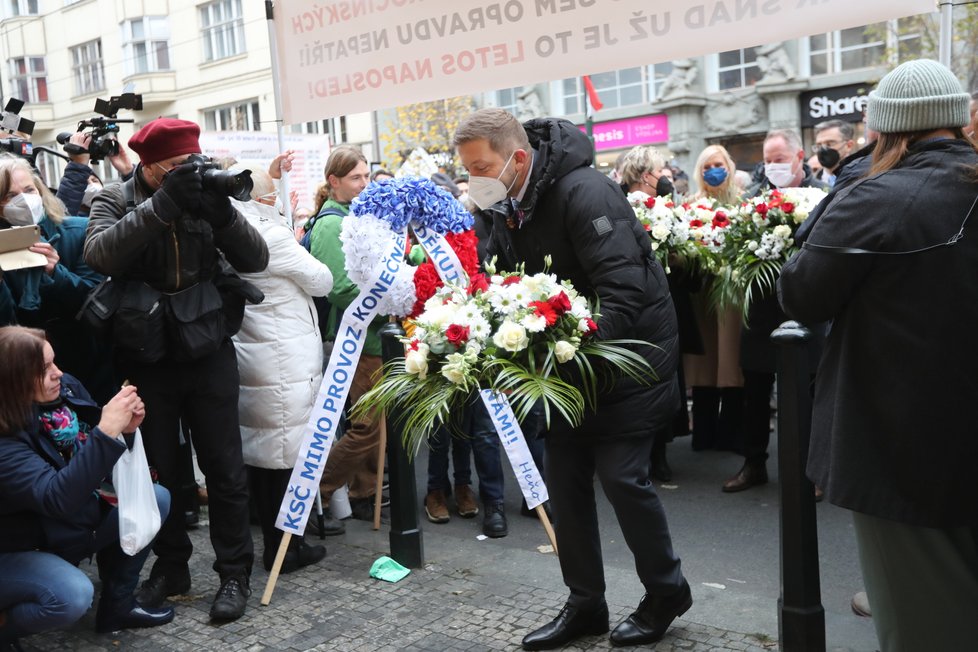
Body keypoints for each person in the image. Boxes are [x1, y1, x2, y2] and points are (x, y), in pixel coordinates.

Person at [455, 108, 690, 650]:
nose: (475, 179)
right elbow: (501, 283)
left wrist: (573, 350)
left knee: (622, 478)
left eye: (482, 166)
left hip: (627, 358)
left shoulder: (586, 192)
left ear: (517, 159)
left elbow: (626, 289)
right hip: (566, 367)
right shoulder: (504, 204)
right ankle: (586, 603)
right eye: (467, 169)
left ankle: (667, 590)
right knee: (565, 482)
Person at [779, 59, 978, 652]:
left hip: (904, 448)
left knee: (925, 624)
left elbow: (801, 292)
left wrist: (850, 188)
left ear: (885, 130)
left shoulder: (881, 195)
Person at [84, 118, 269, 621]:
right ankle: (172, 567)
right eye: (178, 167)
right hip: (147, 355)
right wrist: (163, 204)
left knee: (225, 469)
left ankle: (235, 572)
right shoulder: (115, 199)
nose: (191, 172)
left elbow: (256, 259)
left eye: (194, 162)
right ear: (149, 166)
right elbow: (99, 252)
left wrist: (222, 214)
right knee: (162, 470)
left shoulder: (207, 196)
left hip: (208, 349)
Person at [0, 326, 173, 646]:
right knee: (71, 595)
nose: (59, 374)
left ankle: (117, 606)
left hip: (63, 527)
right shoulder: (4, 442)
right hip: (19, 546)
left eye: (54, 362)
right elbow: (57, 497)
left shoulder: (65, 390)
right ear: (12, 381)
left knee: (155, 497)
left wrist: (127, 430)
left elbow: (96, 463)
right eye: (44, 369)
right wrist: (107, 432)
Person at [230, 163, 333, 573]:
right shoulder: (270, 235)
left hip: (254, 356)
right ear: (262, 200)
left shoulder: (229, 232)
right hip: (283, 361)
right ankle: (286, 547)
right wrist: (294, 240)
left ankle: (278, 542)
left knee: (261, 452)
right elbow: (322, 280)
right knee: (285, 458)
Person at [725, 129, 826, 494]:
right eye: (767, 160)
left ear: (799, 156)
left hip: (807, 308)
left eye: (780, 159)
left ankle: (813, 472)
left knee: (811, 394)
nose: (772, 166)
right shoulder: (754, 198)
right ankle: (754, 464)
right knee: (756, 391)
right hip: (763, 309)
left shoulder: (822, 198)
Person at [309, 145, 384, 521]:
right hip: (356, 337)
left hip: (371, 335)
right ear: (334, 181)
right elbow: (339, 286)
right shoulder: (330, 224)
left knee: (374, 422)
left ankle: (366, 490)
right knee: (367, 427)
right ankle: (313, 491)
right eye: (356, 177)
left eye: (367, 176)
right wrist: (389, 296)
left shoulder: (354, 216)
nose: (364, 183)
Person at [0, 158, 113, 403]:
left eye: (29, 190)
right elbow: (6, 326)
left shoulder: (79, 230)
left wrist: (56, 273)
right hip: (30, 373)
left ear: (40, 192)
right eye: (11, 195)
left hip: (90, 363)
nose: (24, 199)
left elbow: (99, 298)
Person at [619, 145, 697, 481]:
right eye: (660, 171)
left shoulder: (667, 207)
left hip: (667, 303)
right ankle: (639, 450)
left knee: (666, 377)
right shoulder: (619, 206)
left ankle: (661, 451)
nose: (664, 177)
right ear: (646, 174)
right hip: (636, 306)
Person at [685, 145, 744, 454]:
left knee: (730, 361)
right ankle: (704, 435)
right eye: (706, 166)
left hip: (731, 291)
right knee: (704, 363)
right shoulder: (691, 205)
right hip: (701, 290)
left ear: (729, 167)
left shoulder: (742, 203)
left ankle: (731, 435)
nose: (713, 171)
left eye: (718, 164)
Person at [811, 119, 856, 187]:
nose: (823, 149)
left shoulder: (862, 179)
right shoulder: (811, 185)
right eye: (819, 145)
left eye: (829, 144)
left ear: (848, 145)